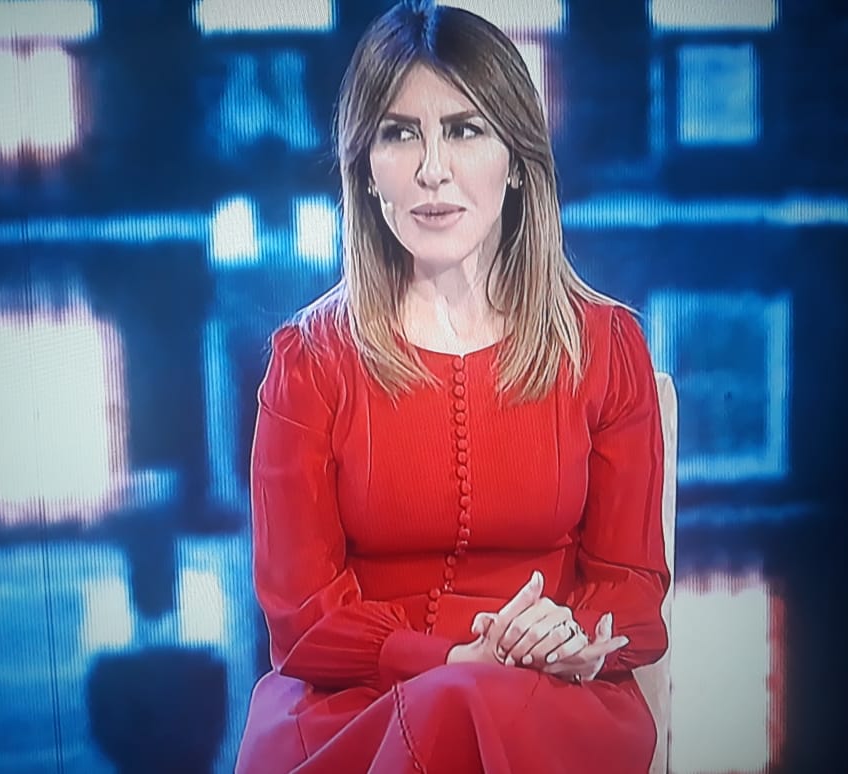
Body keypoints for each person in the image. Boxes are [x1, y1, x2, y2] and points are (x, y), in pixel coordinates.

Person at [236, 2, 669, 772]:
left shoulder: (606, 348)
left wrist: (573, 636)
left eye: (465, 130)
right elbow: (301, 619)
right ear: (366, 170)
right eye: (400, 134)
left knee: (465, 706)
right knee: (453, 703)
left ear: (517, 160)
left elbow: (632, 589)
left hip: (547, 698)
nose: (432, 168)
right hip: (355, 703)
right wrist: (448, 660)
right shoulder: (309, 361)